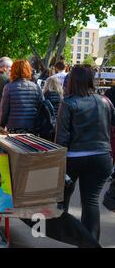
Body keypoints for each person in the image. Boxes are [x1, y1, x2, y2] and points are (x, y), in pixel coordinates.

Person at [55, 65, 115, 242]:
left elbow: (62, 137)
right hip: (102, 157)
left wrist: (59, 162)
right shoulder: (105, 101)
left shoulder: (68, 102)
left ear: (72, 81)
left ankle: (65, 235)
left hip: (75, 157)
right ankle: (90, 242)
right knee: (91, 202)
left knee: (63, 199)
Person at [0, 59, 43, 133]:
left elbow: (4, 111)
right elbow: (41, 106)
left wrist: (1, 126)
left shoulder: (8, 87)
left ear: (13, 70)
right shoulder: (36, 87)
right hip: (32, 126)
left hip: (14, 127)